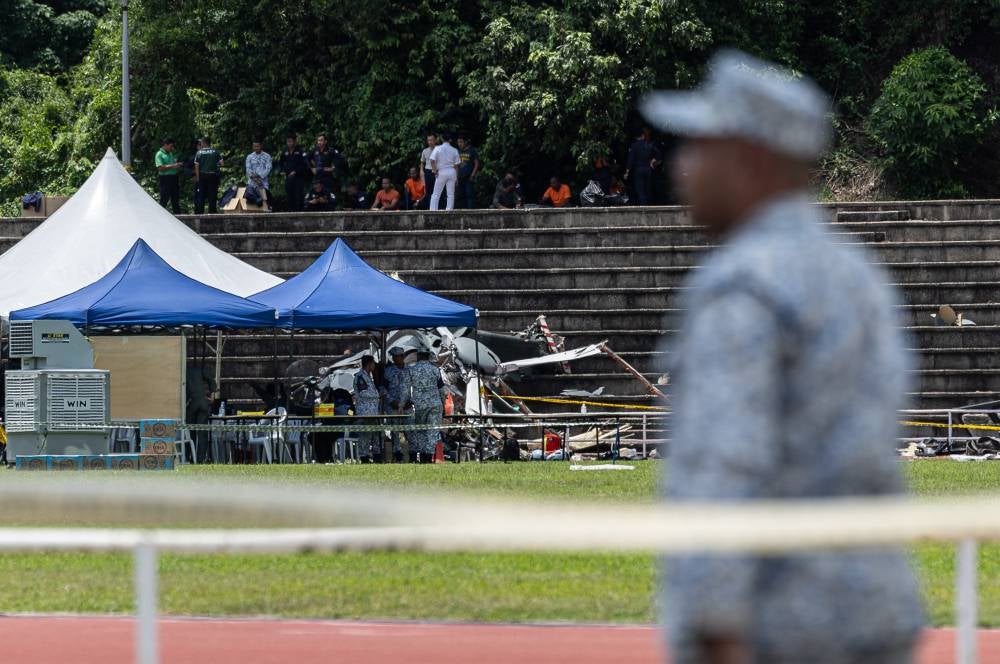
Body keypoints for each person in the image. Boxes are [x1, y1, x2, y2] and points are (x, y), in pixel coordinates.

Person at [641, 49, 923, 664]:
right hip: (872, 614)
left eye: (699, 146)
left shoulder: (742, 284)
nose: (681, 166)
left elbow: (724, 464)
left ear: (748, 160)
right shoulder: (858, 273)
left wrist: (715, 631)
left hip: (777, 629)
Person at [408, 347, 445, 462]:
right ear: (428, 356)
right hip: (435, 405)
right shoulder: (435, 370)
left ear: (418, 356)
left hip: (419, 405)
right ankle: (428, 457)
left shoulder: (412, 370)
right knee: (432, 431)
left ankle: (422, 455)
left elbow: (406, 390)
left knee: (420, 430)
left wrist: (403, 404)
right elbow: (441, 390)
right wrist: (442, 404)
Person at [381, 346, 413, 462]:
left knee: (410, 430)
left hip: (407, 406)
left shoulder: (410, 370)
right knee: (395, 431)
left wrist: (411, 400)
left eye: (397, 356)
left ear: (403, 357)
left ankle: (413, 454)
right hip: (393, 406)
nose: (395, 359)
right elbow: (382, 388)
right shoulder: (388, 371)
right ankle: (397, 453)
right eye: (393, 357)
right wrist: (391, 401)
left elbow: (415, 387)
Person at [353, 355, 382, 463]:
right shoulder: (360, 376)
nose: (374, 366)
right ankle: (363, 457)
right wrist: (378, 395)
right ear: (369, 363)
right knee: (365, 436)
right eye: (373, 363)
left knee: (375, 435)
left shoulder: (369, 377)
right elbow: (363, 393)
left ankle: (376, 457)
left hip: (373, 412)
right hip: (365, 412)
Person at [624, 127, 661, 205]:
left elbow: (630, 160)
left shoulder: (634, 145)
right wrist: (653, 160)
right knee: (647, 189)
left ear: (638, 136)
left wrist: (627, 172)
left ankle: (644, 208)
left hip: (638, 170)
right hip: (648, 169)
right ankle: (650, 207)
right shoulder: (649, 145)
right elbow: (659, 153)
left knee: (640, 191)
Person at [429, 132, 461, 211]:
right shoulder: (454, 150)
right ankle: (449, 210)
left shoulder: (437, 148)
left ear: (442, 139)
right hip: (452, 171)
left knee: (436, 193)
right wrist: (456, 177)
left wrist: (435, 171)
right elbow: (457, 165)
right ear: (450, 140)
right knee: (450, 194)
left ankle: (433, 210)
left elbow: (432, 160)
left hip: (441, 171)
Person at [278, 135, 309, 212]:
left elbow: (305, 165)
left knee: (298, 195)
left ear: (294, 142)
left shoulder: (301, 151)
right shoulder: (284, 151)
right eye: (287, 141)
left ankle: (299, 212)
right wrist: (281, 171)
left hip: (298, 177)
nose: (289, 143)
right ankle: (290, 212)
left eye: (290, 141)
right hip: (288, 177)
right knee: (289, 195)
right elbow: (280, 163)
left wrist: (296, 171)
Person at [193, 137, 224, 214]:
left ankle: (200, 213)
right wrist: (216, 165)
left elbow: (197, 166)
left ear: (203, 143)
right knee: (212, 195)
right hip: (213, 176)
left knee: (201, 195)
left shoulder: (199, 153)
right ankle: (212, 213)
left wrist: (197, 178)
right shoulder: (215, 152)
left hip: (202, 176)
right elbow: (222, 163)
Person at [155, 138, 183, 213]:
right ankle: (159, 217)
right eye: (171, 146)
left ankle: (179, 219)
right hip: (165, 179)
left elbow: (172, 165)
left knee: (175, 200)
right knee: (164, 199)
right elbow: (160, 168)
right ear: (165, 145)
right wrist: (174, 166)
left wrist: (178, 166)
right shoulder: (159, 154)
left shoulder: (170, 153)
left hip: (174, 178)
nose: (172, 148)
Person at [245, 139, 272, 210]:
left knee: (265, 195)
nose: (256, 148)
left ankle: (267, 207)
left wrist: (260, 176)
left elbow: (268, 168)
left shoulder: (267, 156)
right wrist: (254, 178)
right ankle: (257, 202)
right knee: (247, 193)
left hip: (262, 182)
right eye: (254, 146)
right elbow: (248, 169)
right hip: (252, 182)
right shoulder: (249, 157)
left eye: (258, 146)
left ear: (261, 146)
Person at [456, 135, 480, 209]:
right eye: (458, 142)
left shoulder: (471, 150)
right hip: (460, 177)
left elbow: (476, 163)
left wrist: (473, 174)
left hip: (469, 176)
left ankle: (470, 211)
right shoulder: (457, 151)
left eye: (461, 142)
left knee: (469, 194)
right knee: (461, 195)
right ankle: (464, 211)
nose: (459, 144)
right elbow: (456, 165)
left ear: (465, 142)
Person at [419, 133, 438, 209]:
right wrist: (421, 171)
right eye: (428, 140)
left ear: (435, 140)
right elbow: (422, 163)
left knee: (437, 191)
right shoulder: (425, 151)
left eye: (432, 140)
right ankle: (429, 208)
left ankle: (439, 208)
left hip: (437, 172)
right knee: (428, 191)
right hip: (428, 172)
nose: (430, 142)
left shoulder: (439, 150)